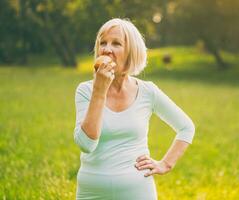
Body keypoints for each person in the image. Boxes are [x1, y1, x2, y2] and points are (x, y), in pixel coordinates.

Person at [73, 18, 195, 200]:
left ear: (131, 52)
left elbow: (186, 128)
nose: (106, 49)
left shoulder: (148, 91)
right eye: (103, 43)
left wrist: (165, 164)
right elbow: (86, 144)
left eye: (116, 43)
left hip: (138, 192)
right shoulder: (85, 90)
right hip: (92, 193)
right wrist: (99, 91)